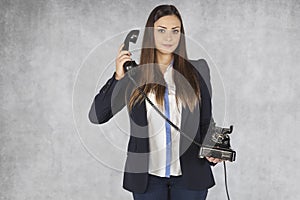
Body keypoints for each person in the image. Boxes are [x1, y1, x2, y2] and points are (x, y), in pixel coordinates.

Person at [89, 4, 222, 200]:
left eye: (175, 31)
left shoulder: (198, 70)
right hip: (147, 179)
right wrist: (118, 77)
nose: (169, 37)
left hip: (190, 176)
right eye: (161, 30)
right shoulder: (134, 74)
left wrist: (214, 150)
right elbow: (97, 115)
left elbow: (205, 120)